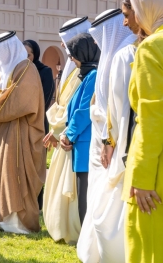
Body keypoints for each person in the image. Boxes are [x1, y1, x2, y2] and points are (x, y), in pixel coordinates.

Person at [77, 0, 140, 263]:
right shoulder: (114, 56)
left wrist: (110, 141)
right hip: (104, 139)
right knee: (98, 197)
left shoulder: (126, 54)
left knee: (111, 204)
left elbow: (121, 108)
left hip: (115, 142)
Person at [0, 31, 46, 234]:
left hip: (21, 134)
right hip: (4, 132)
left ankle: (17, 223)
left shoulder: (27, 68)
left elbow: (20, 101)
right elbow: (6, 98)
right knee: (0, 173)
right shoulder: (8, 72)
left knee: (15, 174)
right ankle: (1, 218)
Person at [122, 0, 163, 262]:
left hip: (155, 171)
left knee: (148, 246)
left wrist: (142, 178)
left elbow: (152, 116)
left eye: (135, 8)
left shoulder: (152, 48)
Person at [43, 16, 91, 244]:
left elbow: (81, 109)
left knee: (75, 190)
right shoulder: (75, 70)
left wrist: (62, 132)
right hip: (66, 135)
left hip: (73, 138)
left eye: (67, 42)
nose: (63, 46)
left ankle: (75, 230)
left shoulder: (88, 73)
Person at [59, 33, 100, 227]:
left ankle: (87, 240)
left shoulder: (93, 76)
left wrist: (69, 134)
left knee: (86, 194)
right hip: (81, 142)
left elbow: (84, 110)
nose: (71, 60)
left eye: (72, 55)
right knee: (82, 191)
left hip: (86, 141)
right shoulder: (87, 75)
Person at [23, 39, 55, 211]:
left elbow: (45, 99)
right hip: (21, 124)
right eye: (23, 54)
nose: (26, 58)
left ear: (35, 54)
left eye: (29, 54)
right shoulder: (19, 71)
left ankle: (37, 203)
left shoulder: (45, 71)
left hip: (38, 124)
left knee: (37, 164)